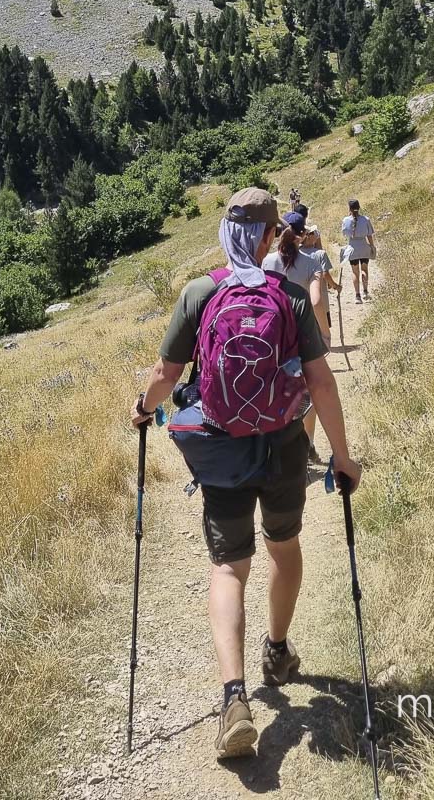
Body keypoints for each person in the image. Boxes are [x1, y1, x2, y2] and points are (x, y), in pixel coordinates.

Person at [131, 188, 362, 760]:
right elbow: (321, 383)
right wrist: (341, 454)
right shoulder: (287, 294)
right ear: (265, 239)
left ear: (223, 233)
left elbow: (166, 375)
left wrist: (143, 406)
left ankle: (234, 698)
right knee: (283, 548)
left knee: (229, 568)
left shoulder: (199, 293)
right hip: (283, 449)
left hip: (222, 452)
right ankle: (278, 649)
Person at [263, 211, 329, 465]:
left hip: (272, 335)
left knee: (276, 388)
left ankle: (277, 444)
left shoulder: (266, 262)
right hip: (302, 336)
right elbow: (316, 301)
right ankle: (307, 443)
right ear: (302, 236)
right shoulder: (311, 262)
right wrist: (323, 333)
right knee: (308, 390)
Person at [301, 222, 341, 341]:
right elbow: (325, 274)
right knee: (320, 320)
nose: (317, 235)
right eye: (315, 233)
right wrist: (335, 286)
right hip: (319, 294)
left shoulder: (296, 253)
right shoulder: (320, 254)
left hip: (302, 294)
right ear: (309, 236)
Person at [341, 197, 376, 303]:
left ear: (350, 209)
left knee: (354, 272)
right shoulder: (366, 219)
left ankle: (357, 296)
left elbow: (344, 234)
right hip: (364, 246)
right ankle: (365, 291)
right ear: (359, 208)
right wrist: (372, 246)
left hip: (353, 247)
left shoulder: (346, 220)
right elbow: (369, 235)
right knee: (364, 269)